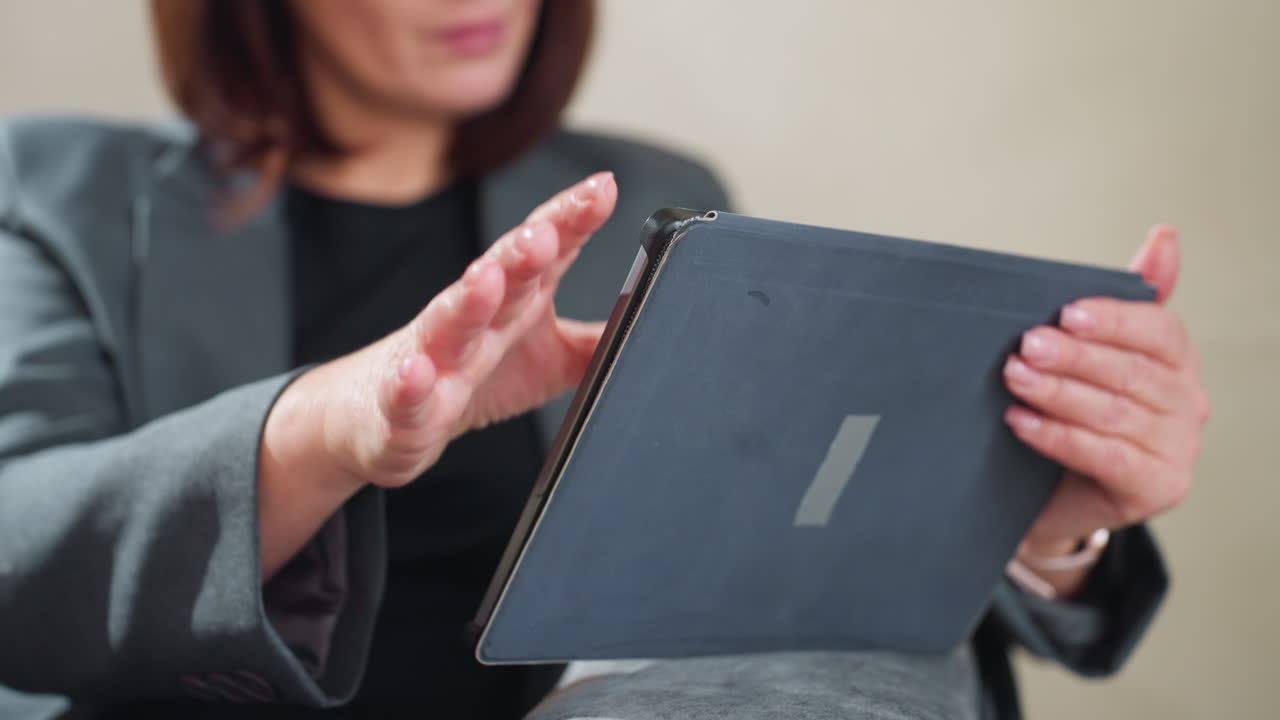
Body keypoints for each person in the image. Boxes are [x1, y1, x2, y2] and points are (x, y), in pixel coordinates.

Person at [0, 1, 1209, 718]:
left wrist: (1040, 523)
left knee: (863, 642)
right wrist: (326, 428)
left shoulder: (664, 196)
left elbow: (774, 555)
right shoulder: (61, 189)